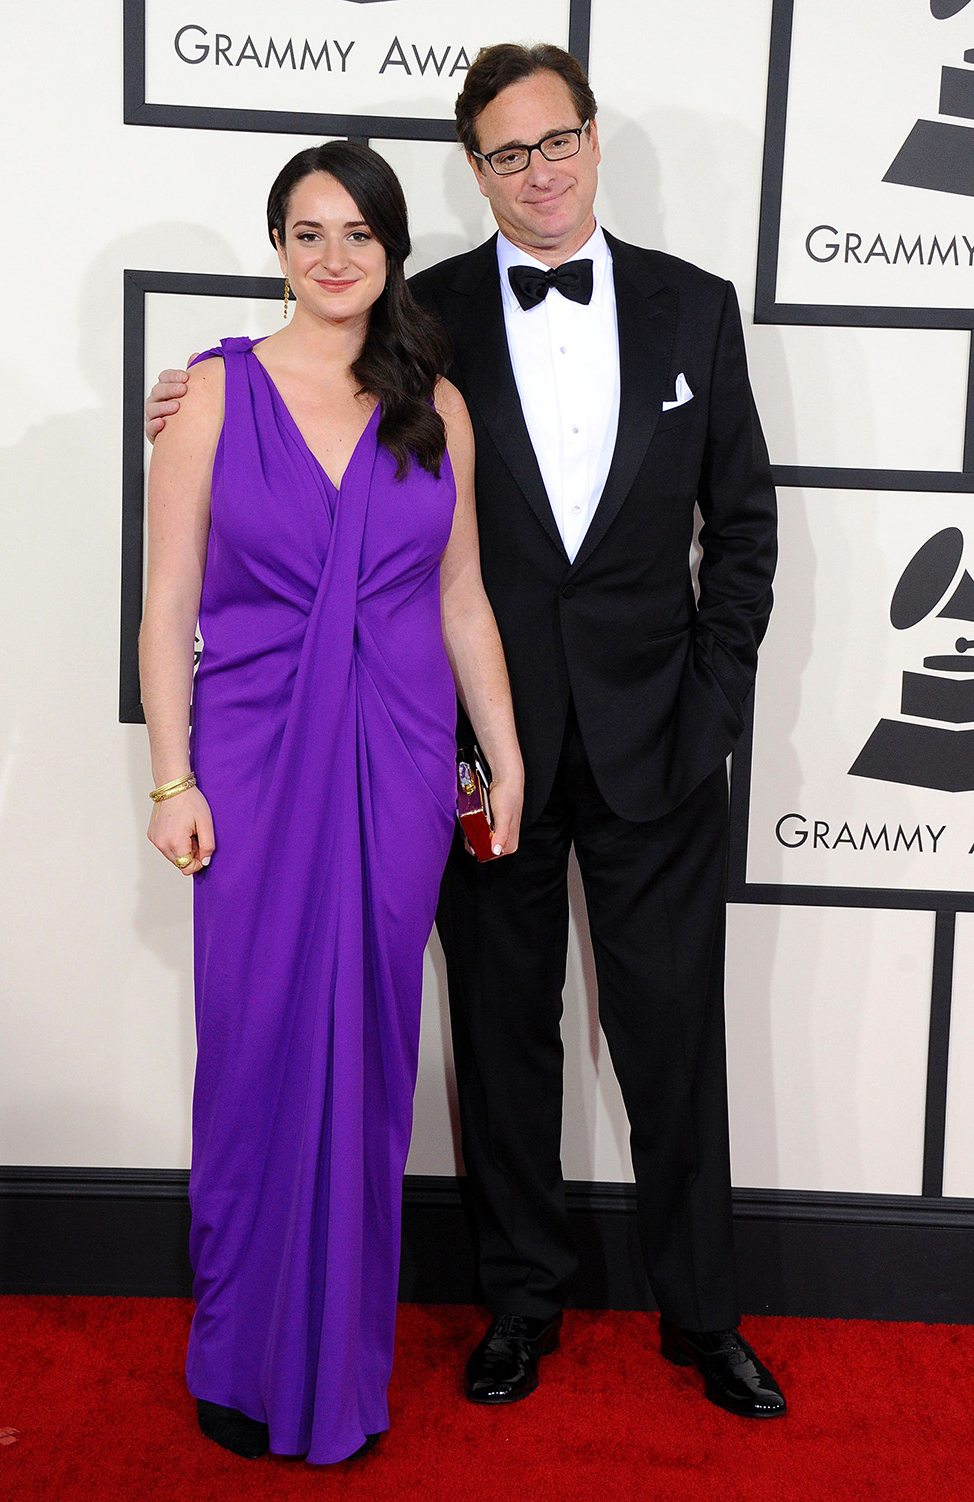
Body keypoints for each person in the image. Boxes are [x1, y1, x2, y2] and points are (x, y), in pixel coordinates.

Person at [147, 44, 784, 1419]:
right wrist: (187, 401)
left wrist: (716, 706)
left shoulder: (695, 310)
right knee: (500, 1039)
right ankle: (521, 1304)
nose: (539, 173)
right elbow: (301, 420)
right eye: (506, 154)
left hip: (657, 740)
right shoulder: (416, 318)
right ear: (475, 171)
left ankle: (704, 1315)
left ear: (595, 142)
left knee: (673, 1032)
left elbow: (741, 531)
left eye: (556, 142)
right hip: (459, 749)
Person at [138, 140, 522, 1466]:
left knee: (368, 1058)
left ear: (392, 245)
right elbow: (167, 608)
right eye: (308, 232)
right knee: (249, 1053)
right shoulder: (204, 396)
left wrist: (506, 753)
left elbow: (460, 597)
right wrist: (172, 777)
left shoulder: (440, 407)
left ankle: (339, 1370)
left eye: (358, 231)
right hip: (248, 763)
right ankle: (240, 1357)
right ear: (279, 247)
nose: (334, 255)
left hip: (402, 762)